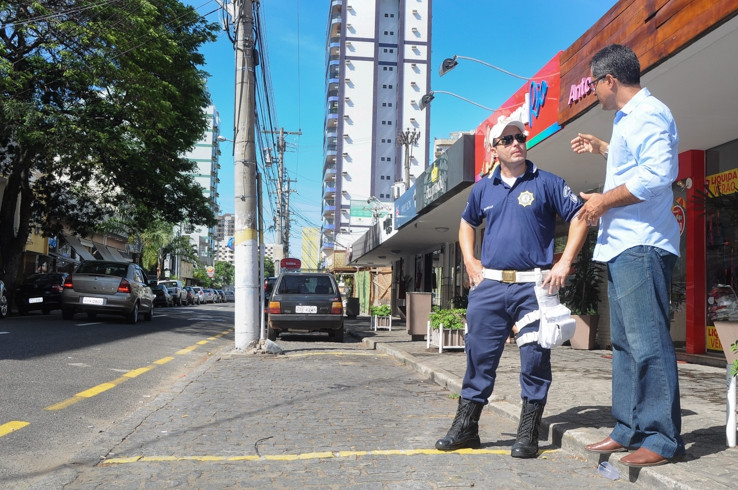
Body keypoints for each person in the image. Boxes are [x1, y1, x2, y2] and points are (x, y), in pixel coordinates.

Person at [435, 117, 589, 458]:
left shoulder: (547, 182)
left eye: (520, 137)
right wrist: (470, 262)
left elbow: (579, 216)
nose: (517, 142)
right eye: (507, 139)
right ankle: (466, 427)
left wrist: (564, 262)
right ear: (495, 150)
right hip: (489, 287)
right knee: (478, 356)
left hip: (533, 286)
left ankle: (528, 432)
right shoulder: (482, 189)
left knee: (535, 358)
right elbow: (466, 224)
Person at [570, 44, 685, 467]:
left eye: (594, 85)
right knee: (623, 344)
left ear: (609, 81)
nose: (593, 93)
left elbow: (657, 176)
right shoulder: (626, 120)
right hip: (623, 244)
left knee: (648, 342)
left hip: (642, 242)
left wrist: (601, 202)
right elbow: (636, 164)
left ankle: (661, 438)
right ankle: (628, 429)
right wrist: (605, 149)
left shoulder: (650, 113)